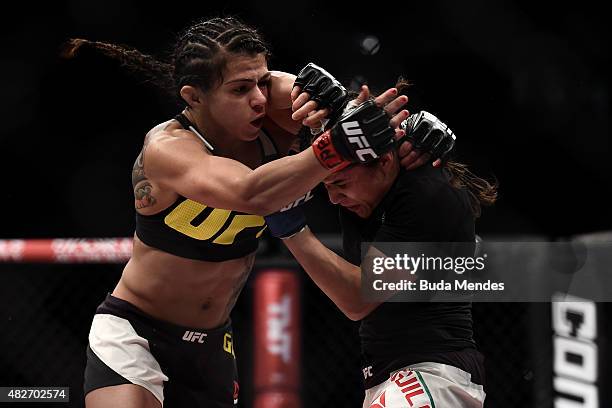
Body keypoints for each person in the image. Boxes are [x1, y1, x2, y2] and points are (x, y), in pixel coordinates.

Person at [61, 16, 419, 408]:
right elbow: (250, 192)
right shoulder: (168, 149)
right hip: (136, 332)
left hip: (214, 346)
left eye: (261, 83)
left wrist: (408, 133)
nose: (259, 98)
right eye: (240, 89)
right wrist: (334, 145)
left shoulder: (273, 111)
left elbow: (343, 107)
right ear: (194, 97)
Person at [265, 106, 498, 407]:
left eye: (340, 185)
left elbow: (357, 299)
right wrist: (315, 91)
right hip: (388, 376)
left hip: (434, 375)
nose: (333, 198)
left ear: (386, 163)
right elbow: (327, 117)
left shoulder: (427, 195)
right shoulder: (364, 175)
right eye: (327, 186)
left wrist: (292, 231)